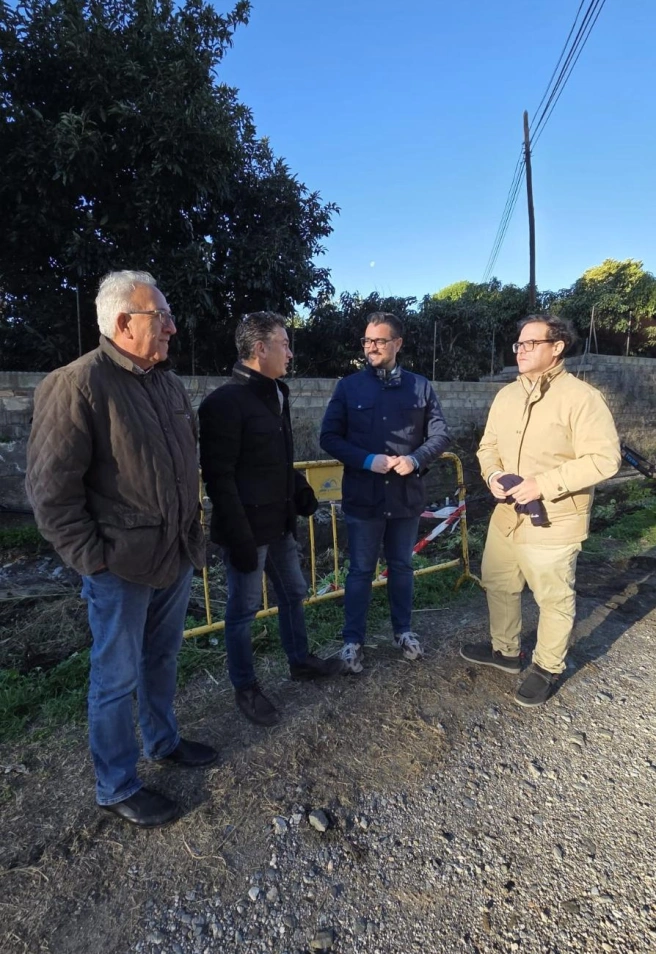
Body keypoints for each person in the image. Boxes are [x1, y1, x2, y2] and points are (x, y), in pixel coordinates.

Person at [26, 270, 216, 828]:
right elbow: (50, 492)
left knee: (162, 659)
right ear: (123, 323)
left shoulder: (166, 383)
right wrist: (94, 559)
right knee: (115, 678)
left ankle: (162, 742)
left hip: (175, 554)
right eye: (162, 317)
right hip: (120, 566)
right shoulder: (77, 384)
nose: (173, 329)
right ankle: (116, 783)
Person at [461, 314, 621, 706]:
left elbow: (605, 459)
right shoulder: (507, 395)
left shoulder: (581, 398)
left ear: (557, 347)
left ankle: (547, 667)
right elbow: (488, 447)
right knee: (498, 582)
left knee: (552, 597)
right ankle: (505, 651)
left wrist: (542, 485)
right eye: (519, 343)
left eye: (531, 343)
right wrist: (493, 474)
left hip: (554, 519)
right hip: (507, 516)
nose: (521, 350)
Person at [198, 312, 342, 727]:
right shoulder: (222, 403)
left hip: (279, 525)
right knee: (242, 612)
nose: (290, 353)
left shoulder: (277, 393)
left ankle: (300, 661)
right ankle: (246, 686)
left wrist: (298, 485)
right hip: (246, 531)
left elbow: (276, 458)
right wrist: (239, 539)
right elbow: (219, 476)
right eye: (284, 344)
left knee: (294, 593)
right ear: (260, 349)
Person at [320, 312, 450, 673]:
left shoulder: (420, 387)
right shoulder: (349, 388)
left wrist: (416, 458)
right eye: (366, 341)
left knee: (402, 566)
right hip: (364, 497)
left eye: (379, 341)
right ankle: (352, 641)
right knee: (361, 571)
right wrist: (366, 459)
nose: (371, 347)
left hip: (405, 497)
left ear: (397, 344)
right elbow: (328, 437)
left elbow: (440, 435)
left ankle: (403, 632)